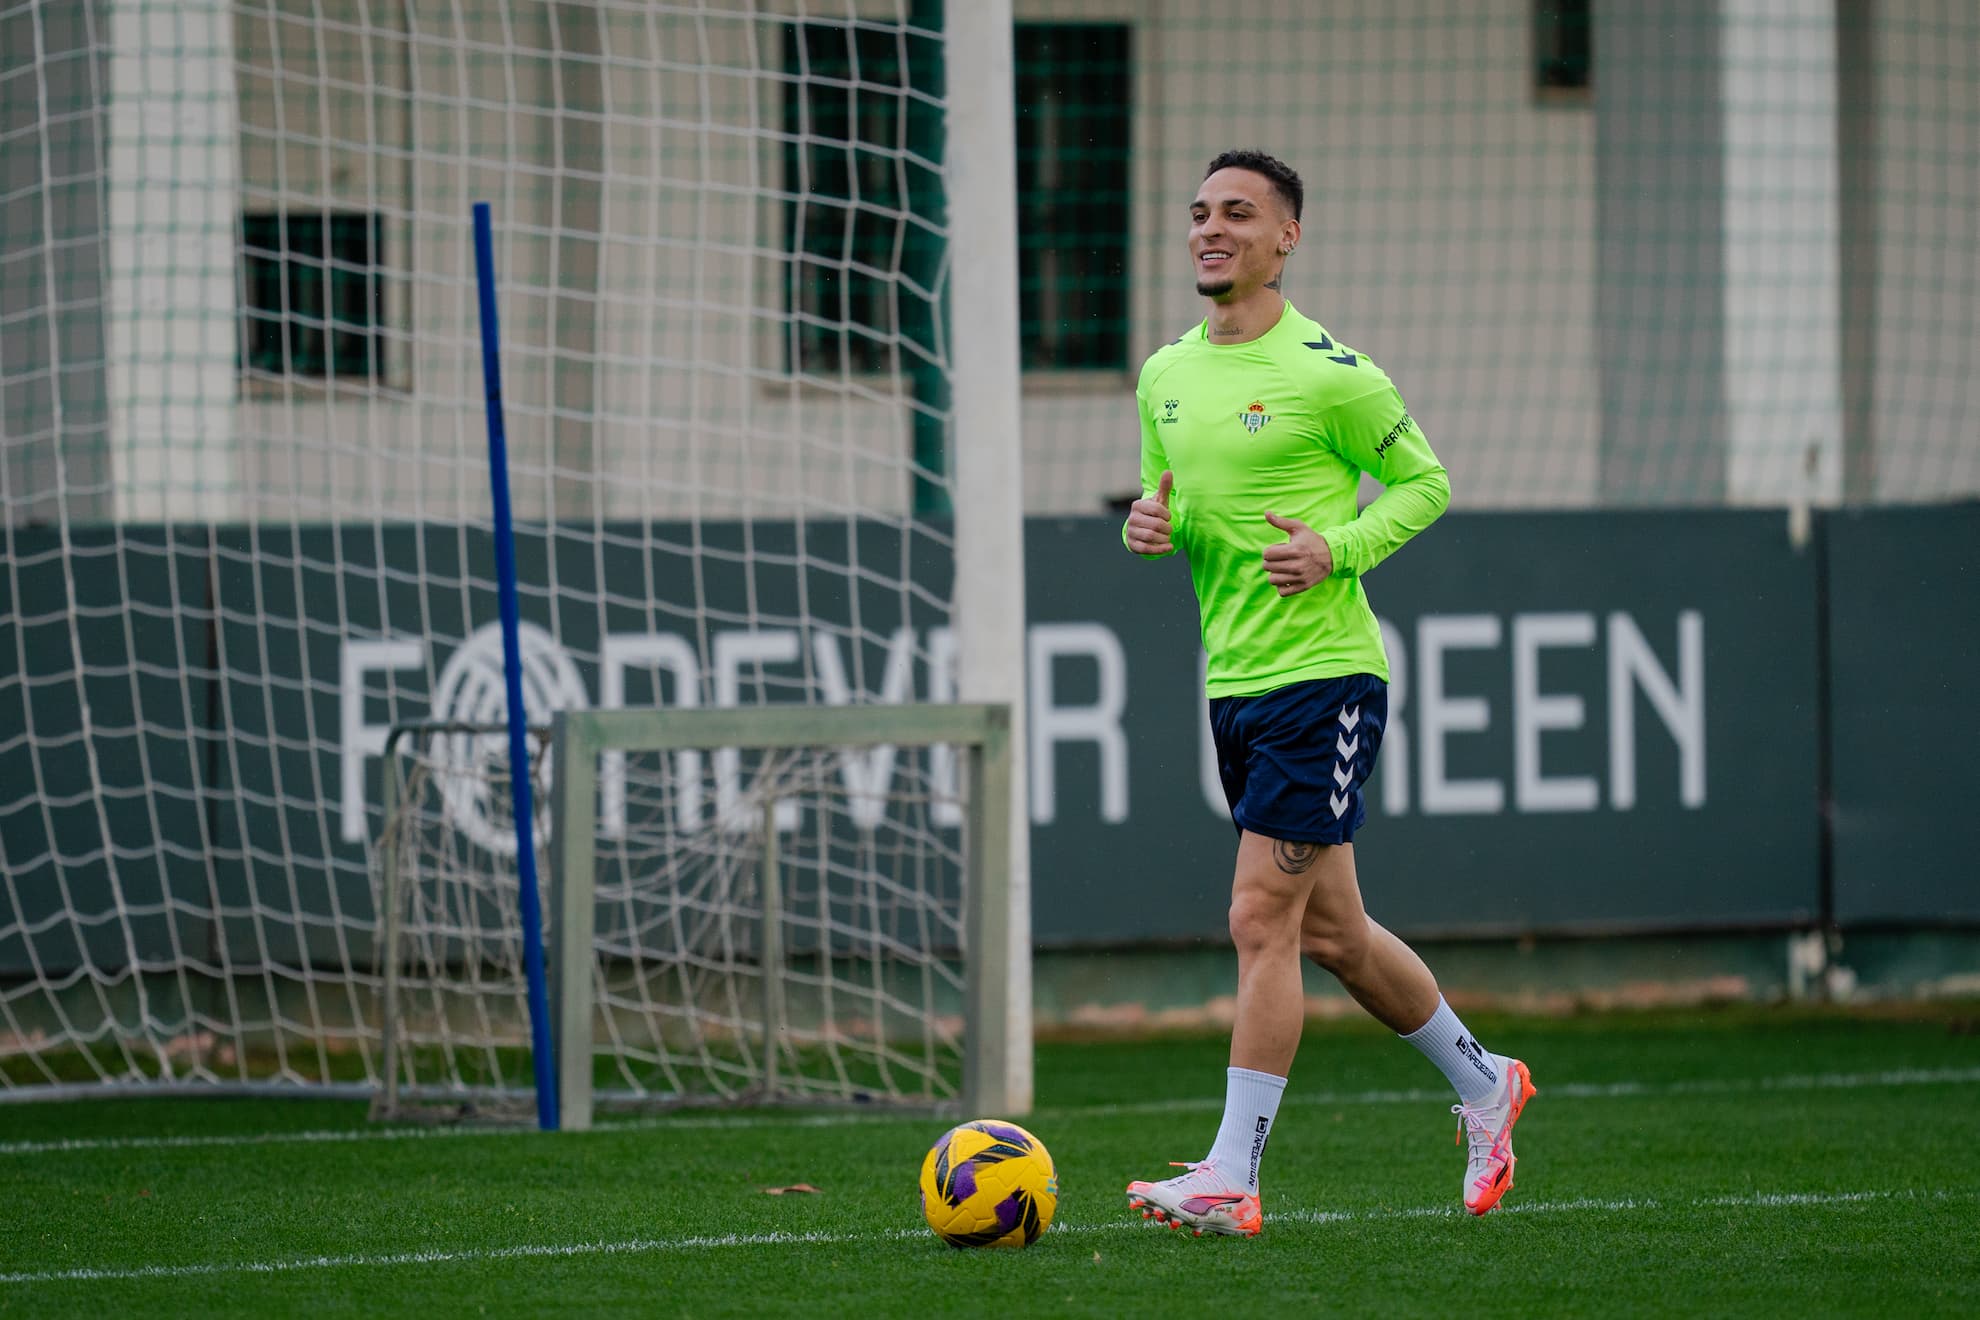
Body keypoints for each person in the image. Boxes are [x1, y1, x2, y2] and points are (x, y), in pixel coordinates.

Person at [1120, 149, 1535, 1238]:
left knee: (1259, 915)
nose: (1212, 228)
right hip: (1236, 682)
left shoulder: (1331, 372)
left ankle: (1231, 1175)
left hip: (1326, 679)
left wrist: (1338, 549)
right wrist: (1146, 530)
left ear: (1286, 237)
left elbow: (1426, 483)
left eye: (1239, 214)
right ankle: (1488, 1086)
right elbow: (1176, 508)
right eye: (1201, 212)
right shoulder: (1164, 374)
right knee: (1335, 936)